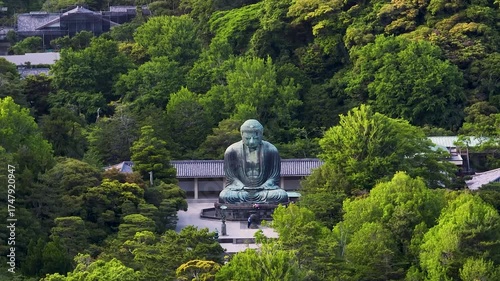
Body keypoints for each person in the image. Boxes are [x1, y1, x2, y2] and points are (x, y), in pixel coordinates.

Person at [218, 119, 289, 204]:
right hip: (241, 191)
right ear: (241, 135)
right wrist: (243, 187)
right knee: (225, 196)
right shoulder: (232, 151)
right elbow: (231, 178)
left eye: (255, 138)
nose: (251, 141)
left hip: (263, 191)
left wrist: (263, 187)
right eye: (247, 138)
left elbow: (274, 177)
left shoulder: (271, 150)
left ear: (261, 135)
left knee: (281, 195)